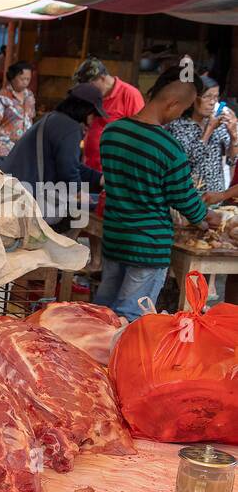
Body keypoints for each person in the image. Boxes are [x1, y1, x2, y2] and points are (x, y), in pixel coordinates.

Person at [96, 66, 224, 320]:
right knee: (131, 317)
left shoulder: (112, 132)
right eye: (181, 110)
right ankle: (117, 360)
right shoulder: (168, 147)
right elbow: (183, 198)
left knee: (103, 310)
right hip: (148, 244)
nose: (178, 116)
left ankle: (90, 357)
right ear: (173, 103)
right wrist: (206, 215)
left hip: (114, 236)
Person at [2, 83, 105, 232]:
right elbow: (67, 169)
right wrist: (78, 192)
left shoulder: (55, 119)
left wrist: (98, 178)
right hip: (25, 197)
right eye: (94, 114)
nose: (94, 119)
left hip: (12, 189)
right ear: (86, 110)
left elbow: (70, 163)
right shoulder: (70, 128)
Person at [164, 74, 238, 204]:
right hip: (187, 198)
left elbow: (232, 160)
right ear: (193, 99)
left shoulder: (219, 124)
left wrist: (234, 137)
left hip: (214, 197)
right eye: (207, 97)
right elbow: (188, 160)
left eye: (216, 97)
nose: (212, 102)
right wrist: (209, 130)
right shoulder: (178, 125)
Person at [75, 56, 145, 173]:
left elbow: (142, 134)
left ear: (102, 78)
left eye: (89, 85)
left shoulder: (130, 94)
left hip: (113, 172)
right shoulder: (91, 96)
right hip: (89, 168)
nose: (87, 90)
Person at [0, 61, 36, 158]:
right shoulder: (2, 97)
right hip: (5, 144)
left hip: (25, 144)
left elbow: (31, 118)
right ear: (12, 78)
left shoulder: (29, 95)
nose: (25, 82)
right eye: (22, 79)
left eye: (28, 79)